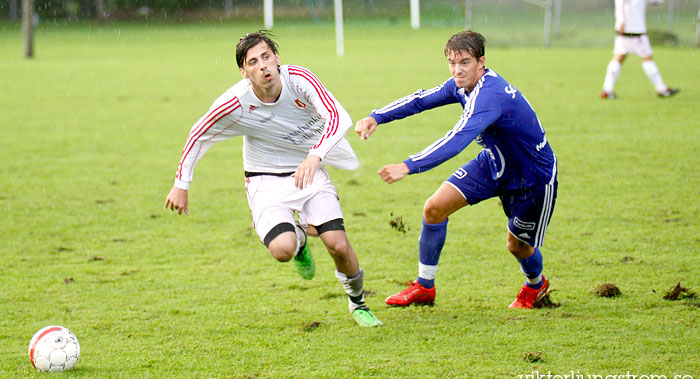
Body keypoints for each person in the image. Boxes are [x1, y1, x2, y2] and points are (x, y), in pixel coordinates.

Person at [164, 30, 382, 327]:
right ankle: (300, 238)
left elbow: (338, 117)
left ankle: (358, 303)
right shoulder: (235, 102)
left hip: (309, 171)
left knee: (338, 245)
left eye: (267, 57)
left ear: (277, 59)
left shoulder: (299, 79)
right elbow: (198, 134)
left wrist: (315, 156)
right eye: (253, 62)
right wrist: (181, 184)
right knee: (283, 250)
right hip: (264, 180)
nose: (263, 66)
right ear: (244, 72)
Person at [354, 30, 558, 309]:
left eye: (464, 62)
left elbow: (457, 140)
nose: (457, 70)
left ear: (481, 62)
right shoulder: (460, 85)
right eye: (452, 62)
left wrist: (408, 166)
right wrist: (376, 117)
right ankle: (424, 287)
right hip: (494, 162)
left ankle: (536, 285)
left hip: (532, 175)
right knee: (434, 208)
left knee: (517, 246)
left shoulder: (490, 95)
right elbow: (420, 100)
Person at [601, 0, 679, 99]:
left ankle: (607, 89)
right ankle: (661, 89)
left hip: (627, 31)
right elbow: (621, 3)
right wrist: (622, 20)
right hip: (635, 31)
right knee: (647, 58)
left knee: (619, 56)